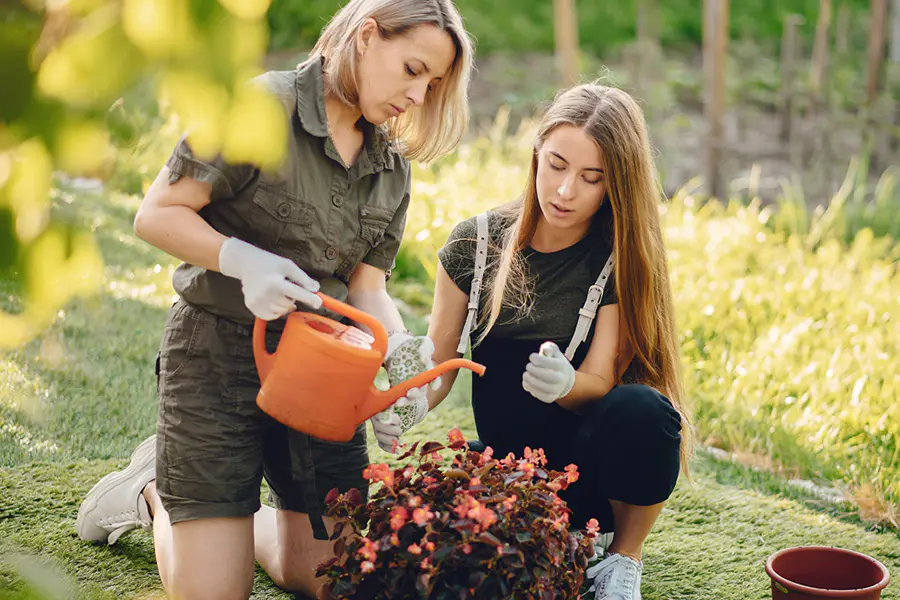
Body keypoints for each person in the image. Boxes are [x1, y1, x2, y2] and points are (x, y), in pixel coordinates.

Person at [75, 1, 473, 599]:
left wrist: (400, 360)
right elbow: (156, 213)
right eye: (413, 69)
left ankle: (218, 522)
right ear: (367, 36)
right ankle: (153, 492)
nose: (419, 95)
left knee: (328, 580)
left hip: (322, 373)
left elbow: (367, 288)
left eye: (433, 83)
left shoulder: (390, 164)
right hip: (217, 358)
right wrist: (241, 259)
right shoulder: (260, 106)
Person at [408, 83, 693, 600]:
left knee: (644, 410)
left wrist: (564, 383)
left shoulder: (615, 260)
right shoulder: (473, 244)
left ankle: (622, 559)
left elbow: (602, 381)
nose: (565, 191)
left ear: (615, 186)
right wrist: (409, 400)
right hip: (508, 466)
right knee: (427, 543)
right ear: (537, 153)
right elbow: (441, 365)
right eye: (557, 165)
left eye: (591, 178)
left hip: (587, 477)